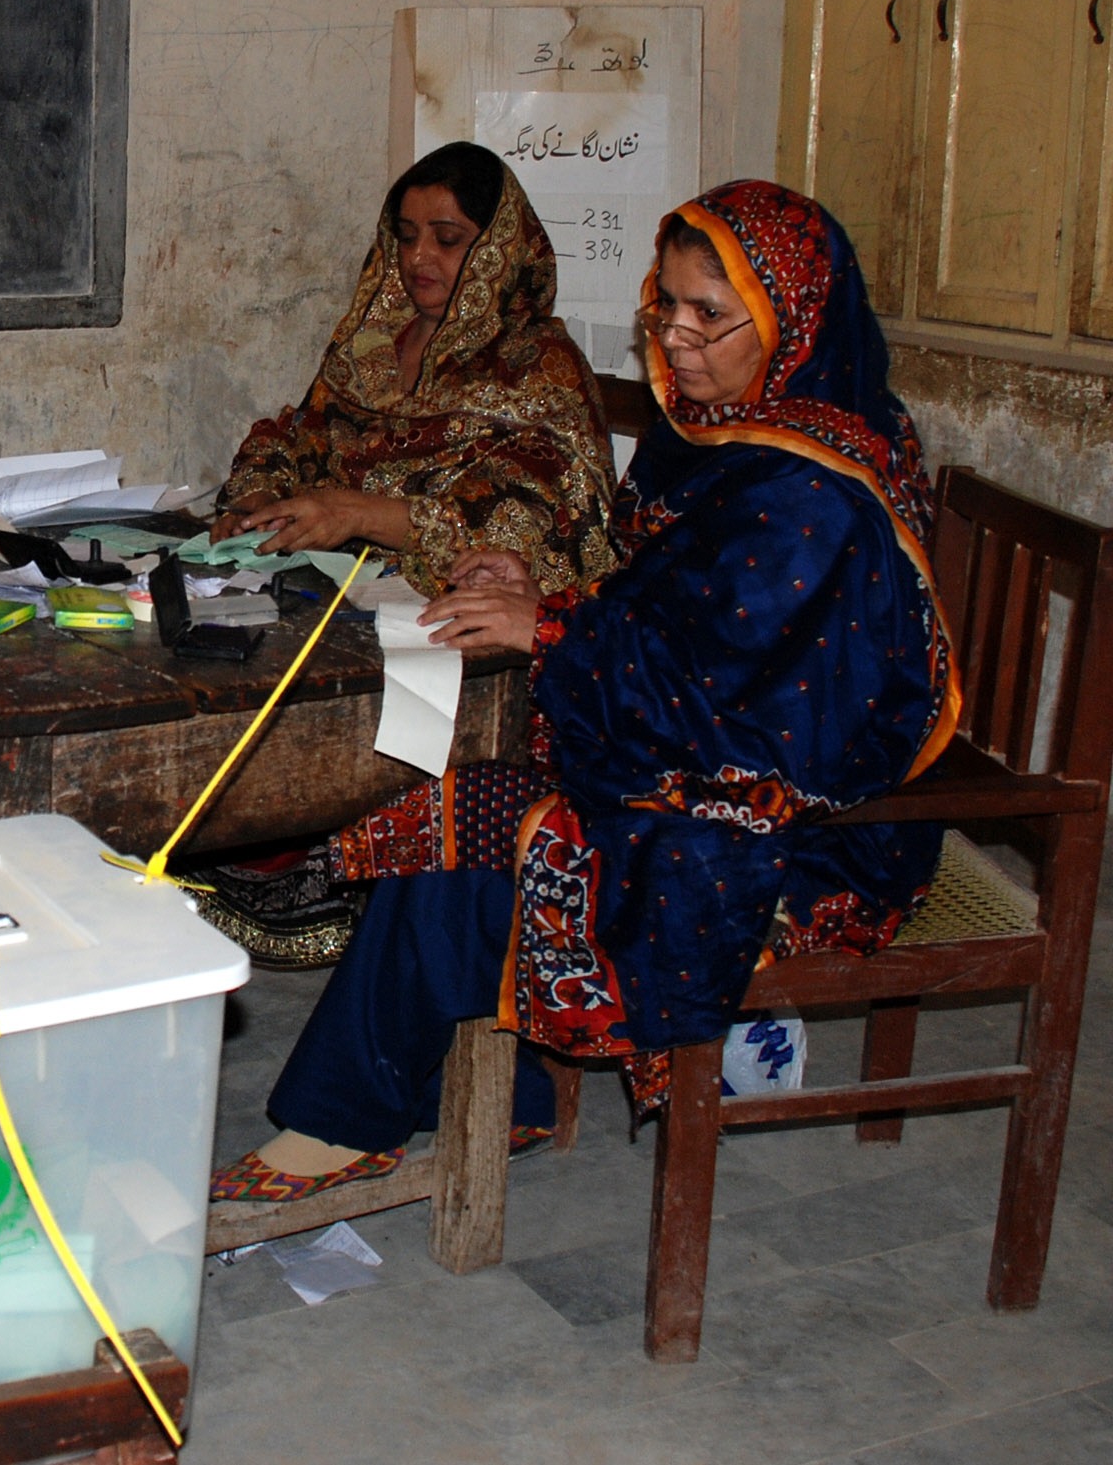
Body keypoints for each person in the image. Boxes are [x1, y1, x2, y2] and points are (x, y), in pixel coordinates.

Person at [212, 180, 961, 1203]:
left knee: (485, 827)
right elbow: (671, 611)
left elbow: (752, 706)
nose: (680, 338)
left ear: (792, 316)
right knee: (450, 770)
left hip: (800, 814)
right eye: (670, 305)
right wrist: (546, 592)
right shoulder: (721, 433)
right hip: (701, 751)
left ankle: (345, 1118)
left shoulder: (814, 487)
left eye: (711, 314)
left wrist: (553, 628)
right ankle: (492, 1091)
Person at [209, 141, 617, 598]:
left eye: (446, 239)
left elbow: (534, 524)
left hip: (459, 615)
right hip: (326, 588)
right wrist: (261, 504)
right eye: (406, 235)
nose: (418, 256)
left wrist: (359, 514)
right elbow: (295, 437)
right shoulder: (370, 345)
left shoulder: (536, 365)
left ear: (498, 248)